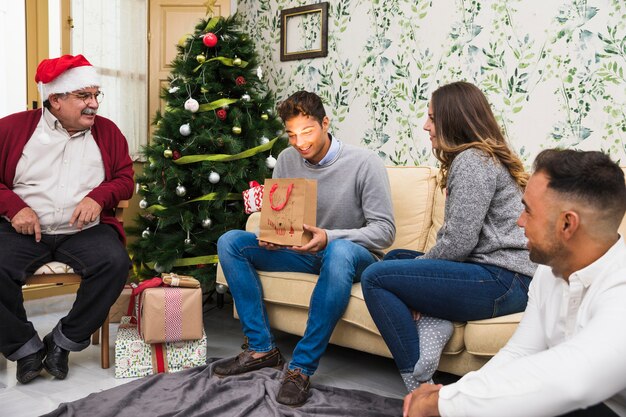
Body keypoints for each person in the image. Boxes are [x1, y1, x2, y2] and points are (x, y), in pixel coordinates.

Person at [404, 149, 626, 417]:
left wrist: (442, 403)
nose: (520, 221)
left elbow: (573, 381)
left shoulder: (620, 285)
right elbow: (520, 352)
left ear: (567, 224)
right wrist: (456, 395)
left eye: (528, 211)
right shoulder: (548, 271)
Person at [216, 91, 395, 407]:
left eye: (308, 132)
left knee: (338, 252)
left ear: (325, 123)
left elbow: (384, 232)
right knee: (231, 242)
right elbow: (283, 218)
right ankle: (262, 349)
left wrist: (330, 237)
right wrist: (274, 234)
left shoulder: (365, 163)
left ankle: (300, 368)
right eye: (292, 134)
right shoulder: (287, 159)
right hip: (302, 253)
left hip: (351, 256)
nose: (299, 142)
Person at [361, 81, 536, 392]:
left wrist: (417, 280)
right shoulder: (480, 158)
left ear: (453, 120)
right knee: (397, 258)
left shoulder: (473, 161)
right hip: (501, 276)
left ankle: (419, 387)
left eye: (432, 117)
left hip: (503, 280)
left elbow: (458, 242)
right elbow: (459, 241)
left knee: (375, 276)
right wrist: (417, 276)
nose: (426, 125)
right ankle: (435, 320)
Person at [0, 54, 134, 384]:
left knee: (115, 263)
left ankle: (62, 343)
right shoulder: (12, 128)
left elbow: (125, 179)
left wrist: (98, 197)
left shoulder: (108, 133)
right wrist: (14, 206)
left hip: (84, 231)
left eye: (95, 95)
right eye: (84, 96)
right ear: (56, 99)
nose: (94, 105)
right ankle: (25, 348)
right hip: (24, 230)